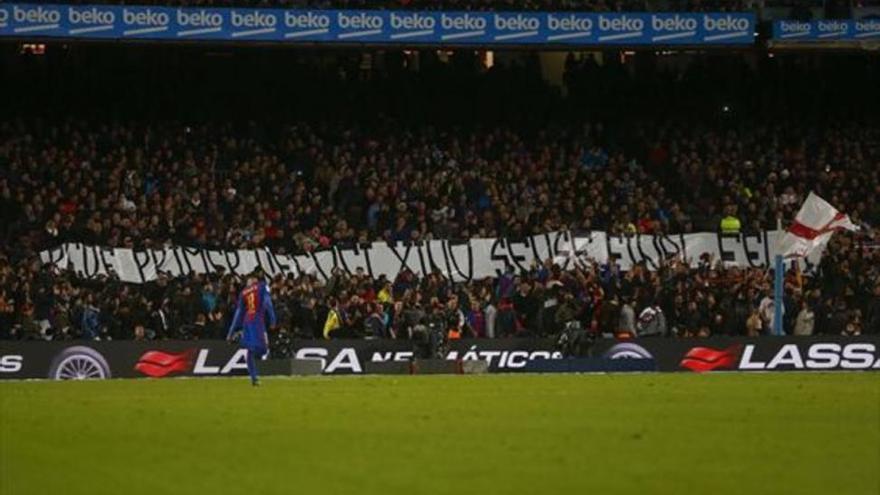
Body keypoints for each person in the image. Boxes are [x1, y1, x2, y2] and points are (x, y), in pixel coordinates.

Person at [227, 275, 277, 386]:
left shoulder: (244, 292)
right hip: (257, 321)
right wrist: (273, 319)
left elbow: (239, 313)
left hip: (248, 321)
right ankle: (240, 337)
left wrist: (231, 331)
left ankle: (254, 378)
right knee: (263, 349)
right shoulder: (262, 287)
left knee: (250, 351)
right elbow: (268, 303)